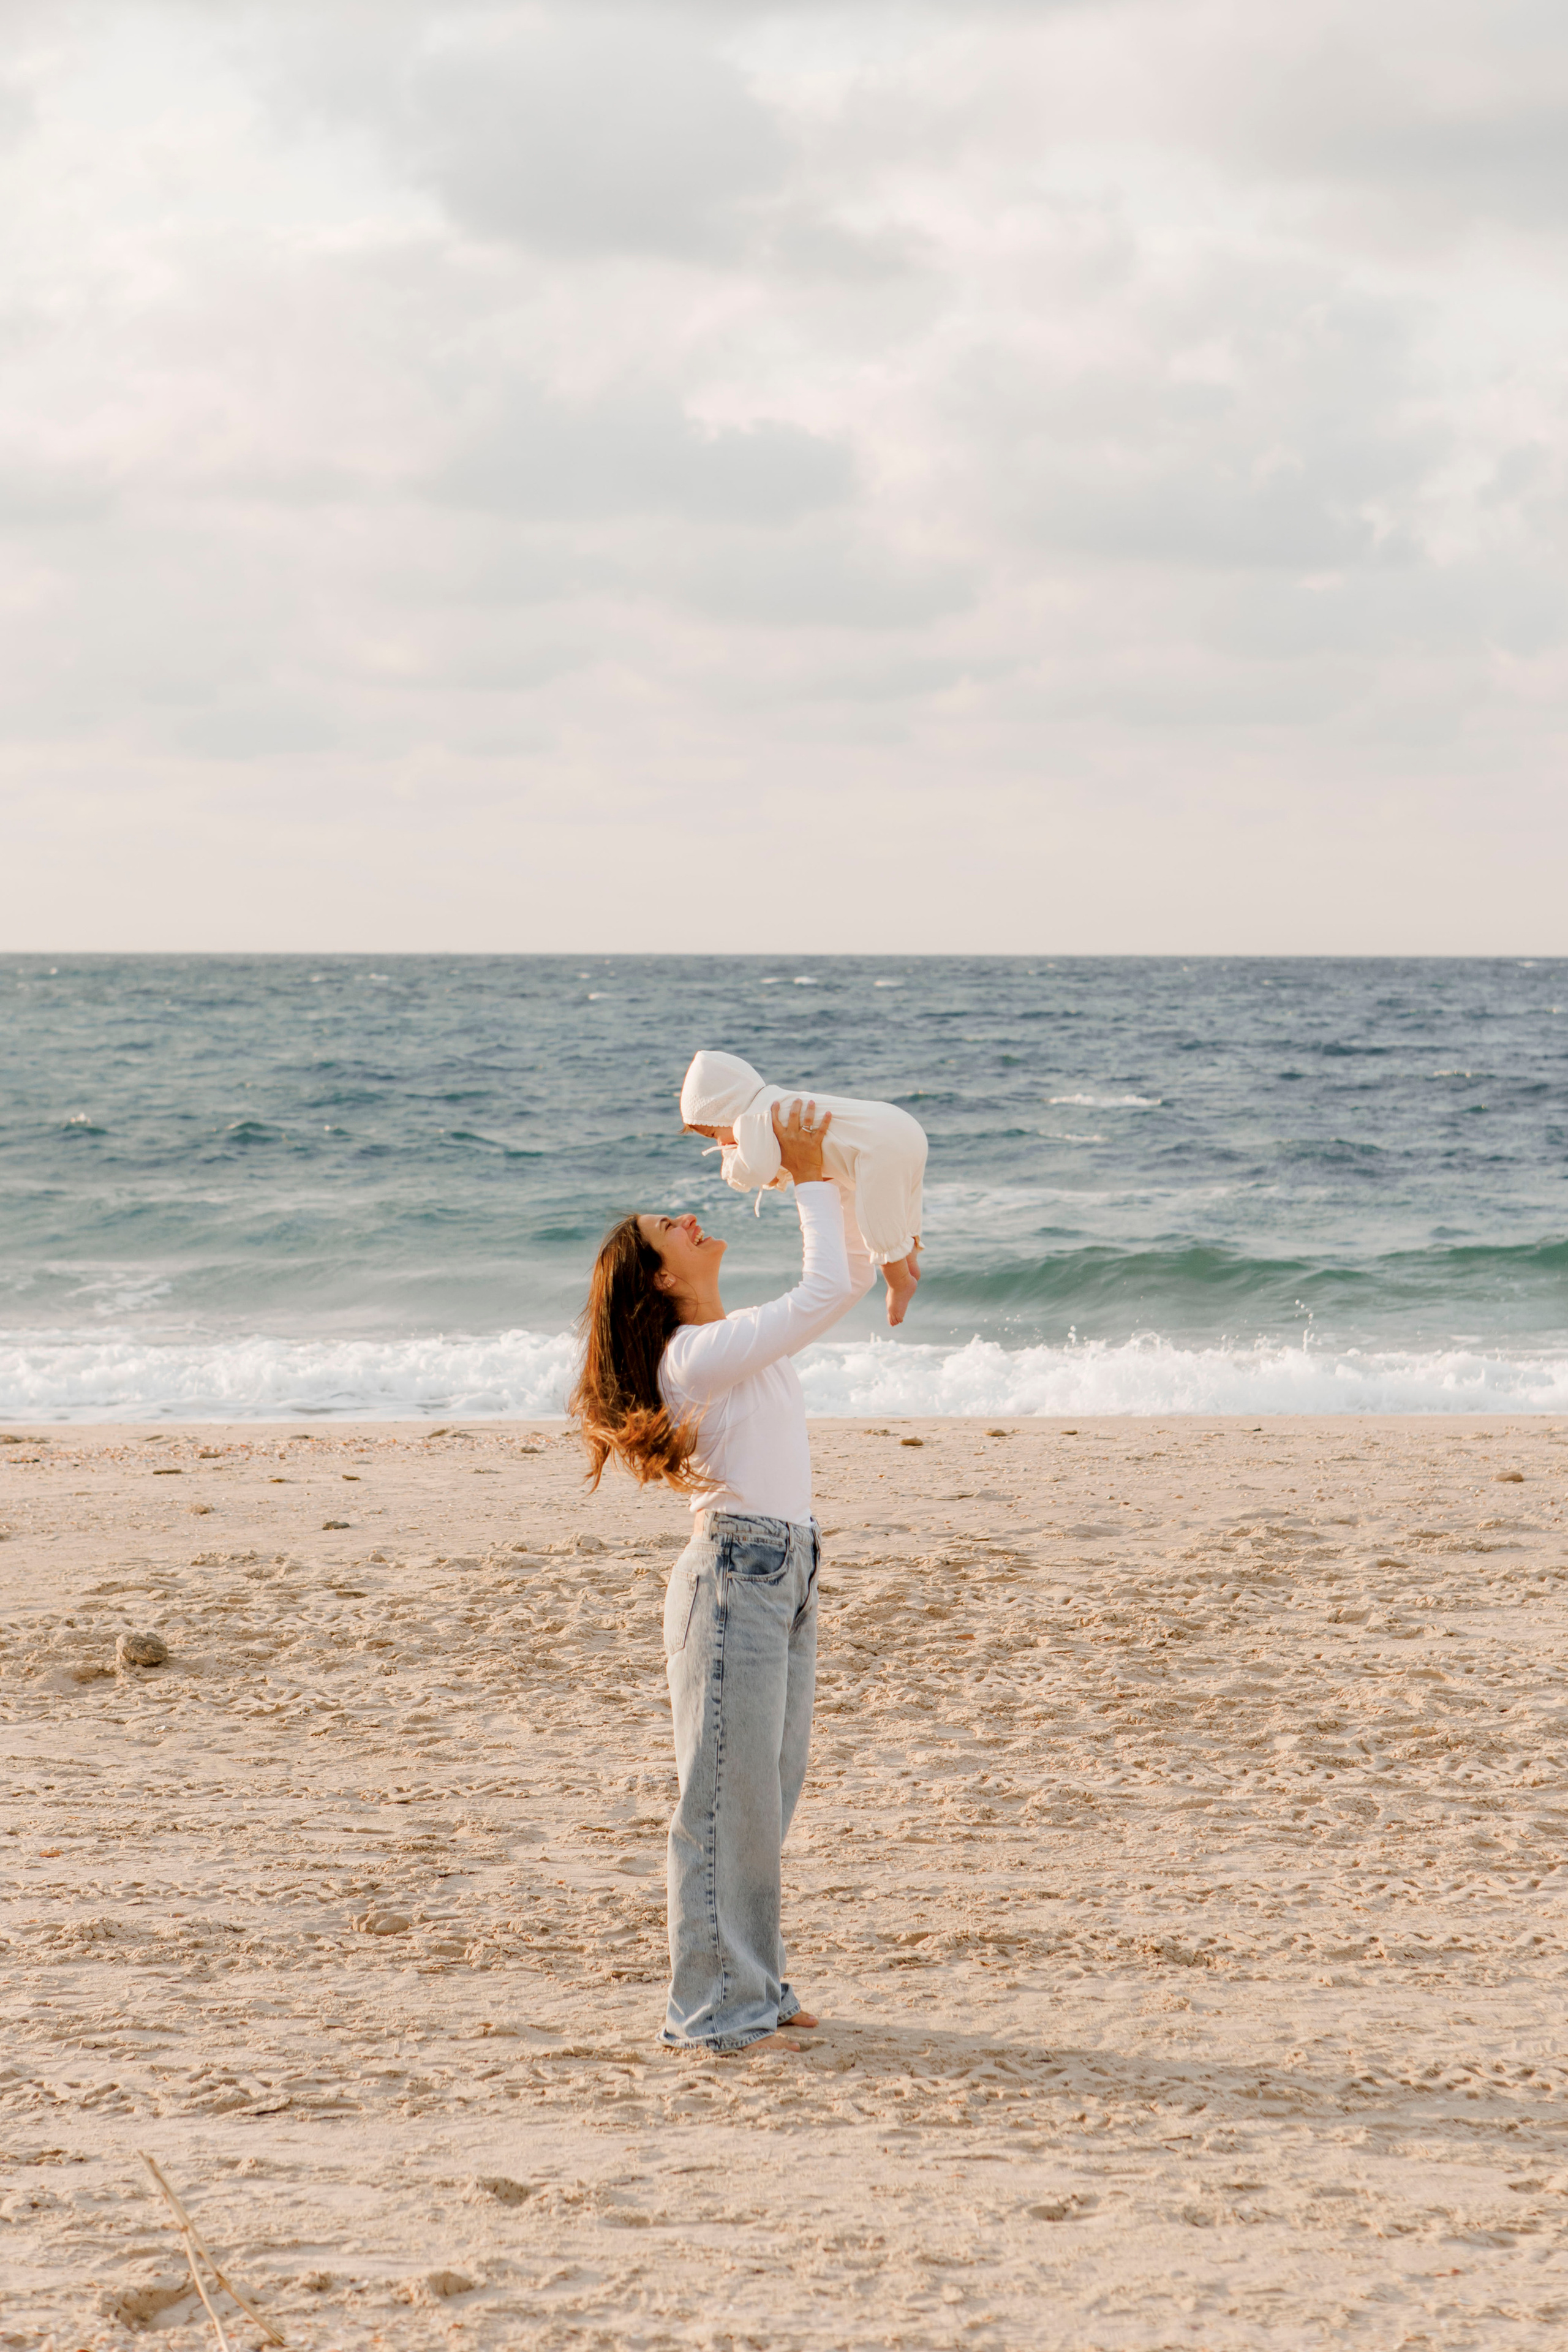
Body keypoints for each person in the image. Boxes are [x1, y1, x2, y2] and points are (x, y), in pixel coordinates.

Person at [571, 1099, 874, 2055]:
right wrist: (807, 1174)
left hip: (783, 1572)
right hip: (736, 1576)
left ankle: (755, 1988)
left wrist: (807, 1175)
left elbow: (850, 1275)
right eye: (673, 1228)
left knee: (762, 1797)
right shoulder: (692, 1357)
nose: (691, 1218)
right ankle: (712, 2012)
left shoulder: (732, 1340)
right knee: (721, 1803)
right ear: (660, 1278)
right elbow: (826, 1287)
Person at [679, 1049, 927, 1327]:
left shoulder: (751, 1120)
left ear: (723, 1109)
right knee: (902, 1203)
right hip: (902, 1126)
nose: (722, 1143)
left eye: (714, 1134)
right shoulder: (780, 1100)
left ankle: (899, 1283)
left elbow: (755, 1170)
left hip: (880, 1150)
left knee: (879, 1221)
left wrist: (730, 1161)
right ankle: (911, 1256)